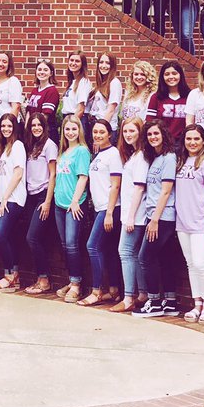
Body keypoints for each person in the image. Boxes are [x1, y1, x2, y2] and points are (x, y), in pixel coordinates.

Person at [131, 119, 178, 317]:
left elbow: (166, 191)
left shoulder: (169, 157)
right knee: (165, 258)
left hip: (163, 216)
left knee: (145, 257)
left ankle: (154, 302)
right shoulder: (155, 158)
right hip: (156, 215)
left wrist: (155, 220)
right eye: (149, 134)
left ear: (164, 135)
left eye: (156, 134)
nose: (152, 137)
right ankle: (170, 301)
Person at [173, 125, 204, 323]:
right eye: (188, 138)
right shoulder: (180, 161)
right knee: (191, 264)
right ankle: (197, 304)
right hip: (182, 221)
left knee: (201, 263)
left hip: (202, 221)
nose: (192, 142)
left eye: (196, 139)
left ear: (203, 141)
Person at [81, 120, 123, 306]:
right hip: (101, 207)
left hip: (109, 208)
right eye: (95, 132)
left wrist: (109, 213)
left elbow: (116, 185)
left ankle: (96, 291)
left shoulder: (113, 154)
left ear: (110, 134)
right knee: (109, 249)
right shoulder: (98, 153)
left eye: (102, 132)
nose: (97, 135)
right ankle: (113, 290)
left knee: (92, 246)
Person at [53, 115, 91, 303]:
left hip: (73, 205)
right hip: (59, 204)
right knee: (64, 245)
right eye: (67, 129)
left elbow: (83, 177)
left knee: (72, 244)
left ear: (79, 130)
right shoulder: (64, 152)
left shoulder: (82, 151)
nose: (70, 132)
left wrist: (75, 201)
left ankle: (77, 284)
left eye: (74, 129)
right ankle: (71, 279)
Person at [21, 111, 59, 295]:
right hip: (30, 195)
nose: (36, 128)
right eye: (33, 125)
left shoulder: (49, 146)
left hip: (43, 195)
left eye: (39, 125)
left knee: (32, 237)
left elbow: (53, 174)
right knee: (35, 238)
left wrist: (47, 201)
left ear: (44, 127)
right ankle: (40, 278)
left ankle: (44, 280)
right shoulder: (31, 145)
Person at [0, 113, 28, 293]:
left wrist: (5, 197)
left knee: (0, 235)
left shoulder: (18, 146)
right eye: (3, 126)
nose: (5, 129)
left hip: (12, 199)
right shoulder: (3, 148)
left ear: (15, 127)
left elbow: (18, 174)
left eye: (9, 126)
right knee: (9, 237)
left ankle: (11, 277)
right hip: (2, 199)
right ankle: (13, 275)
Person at [113, 117, 148, 313]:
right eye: (125, 131)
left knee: (124, 252)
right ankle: (142, 293)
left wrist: (131, 217)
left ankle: (128, 298)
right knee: (133, 254)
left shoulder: (141, 156)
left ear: (140, 132)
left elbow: (139, 188)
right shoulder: (134, 155)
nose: (128, 135)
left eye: (132, 131)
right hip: (131, 214)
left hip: (136, 215)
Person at [146, 59, 191, 144]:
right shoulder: (156, 97)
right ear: (162, 77)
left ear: (180, 75)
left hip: (184, 144)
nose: (171, 77)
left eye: (174, 73)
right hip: (162, 144)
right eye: (167, 74)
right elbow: (149, 123)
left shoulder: (190, 96)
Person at [83, 52, 121, 141]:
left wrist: (100, 133)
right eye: (101, 62)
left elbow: (111, 111)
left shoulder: (114, 83)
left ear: (113, 65)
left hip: (106, 129)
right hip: (95, 126)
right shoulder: (100, 84)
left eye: (107, 63)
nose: (103, 66)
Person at [24, 59, 60, 139]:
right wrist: (27, 130)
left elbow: (45, 116)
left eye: (45, 70)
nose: (42, 72)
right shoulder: (34, 90)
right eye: (39, 69)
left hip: (46, 133)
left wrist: (35, 128)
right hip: (33, 132)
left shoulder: (52, 91)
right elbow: (29, 112)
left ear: (51, 73)